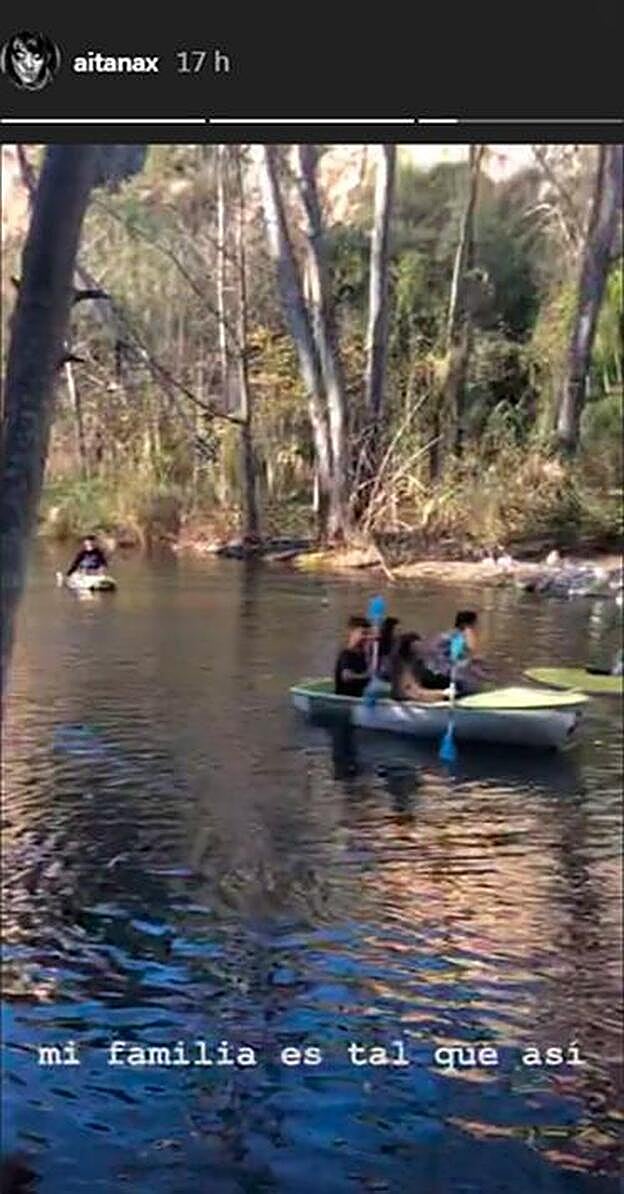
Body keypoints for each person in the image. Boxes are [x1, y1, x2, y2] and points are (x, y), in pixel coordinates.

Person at [423, 610, 486, 695]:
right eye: (476, 623)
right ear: (469, 624)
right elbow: (455, 657)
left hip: (434, 673)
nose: (478, 627)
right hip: (448, 677)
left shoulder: (449, 634)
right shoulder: (461, 635)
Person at [391, 633, 451, 703]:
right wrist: (445, 693)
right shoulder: (403, 666)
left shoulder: (418, 664)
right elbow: (411, 693)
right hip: (406, 700)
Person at [334, 616, 371, 697]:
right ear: (352, 633)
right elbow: (347, 677)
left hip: (359, 698)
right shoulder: (346, 654)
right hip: (345, 699)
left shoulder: (363, 654)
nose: (367, 637)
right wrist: (368, 676)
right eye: (363, 633)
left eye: (368, 634)